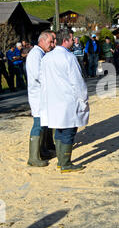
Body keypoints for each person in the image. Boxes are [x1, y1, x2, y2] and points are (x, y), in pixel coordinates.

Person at [40, 29, 89, 173]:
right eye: (72, 39)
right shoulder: (69, 57)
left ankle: (61, 161)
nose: (74, 42)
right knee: (68, 131)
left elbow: (42, 80)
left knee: (59, 130)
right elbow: (77, 81)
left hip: (52, 99)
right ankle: (65, 162)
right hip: (67, 100)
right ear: (65, 40)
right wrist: (84, 98)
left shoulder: (46, 58)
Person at [26, 31, 56, 167]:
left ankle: (42, 150)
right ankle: (33, 157)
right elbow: (38, 74)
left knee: (44, 124)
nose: (52, 44)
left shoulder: (41, 53)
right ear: (42, 41)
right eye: (50, 42)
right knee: (38, 124)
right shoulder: (34, 55)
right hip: (37, 96)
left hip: (43, 95)